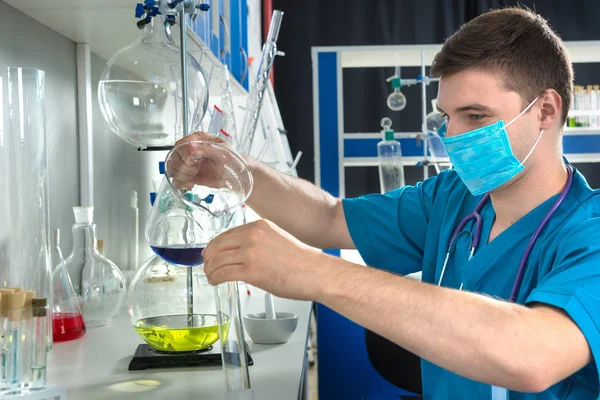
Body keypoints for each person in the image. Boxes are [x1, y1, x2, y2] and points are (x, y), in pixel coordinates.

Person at [170, 7, 600, 398]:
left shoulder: (589, 230)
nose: (452, 136)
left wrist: (311, 271)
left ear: (545, 110)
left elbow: (535, 357)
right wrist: (237, 171)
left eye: (475, 116)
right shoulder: (452, 198)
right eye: (446, 117)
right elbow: (328, 217)